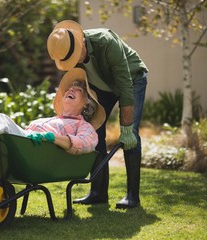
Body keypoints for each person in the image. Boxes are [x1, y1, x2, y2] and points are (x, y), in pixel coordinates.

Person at [47, 20, 148, 209]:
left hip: (132, 79)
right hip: (102, 87)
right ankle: (98, 192)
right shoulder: (66, 48)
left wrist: (126, 128)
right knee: (92, 130)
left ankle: (132, 196)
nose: (75, 61)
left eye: (76, 56)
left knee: (130, 132)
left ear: (82, 42)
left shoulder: (106, 42)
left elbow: (125, 85)